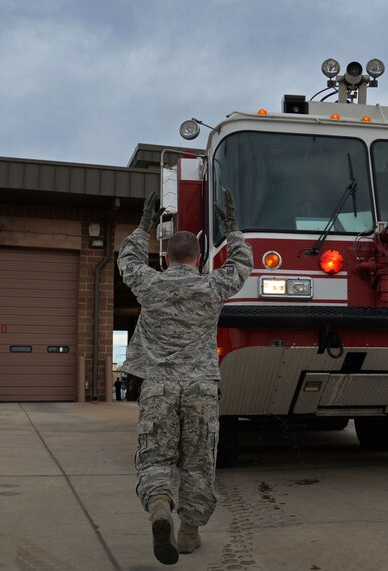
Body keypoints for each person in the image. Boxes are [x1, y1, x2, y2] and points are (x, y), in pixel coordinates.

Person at [117, 189, 252, 565]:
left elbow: (127, 258)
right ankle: (190, 532)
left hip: (158, 387)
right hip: (201, 389)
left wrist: (145, 224)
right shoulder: (212, 286)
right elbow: (242, 262)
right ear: (197, 258)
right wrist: (233, 227)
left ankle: (160, 505)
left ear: (166, 257)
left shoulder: (149, 284)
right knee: (197, 462)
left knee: (155, 457)